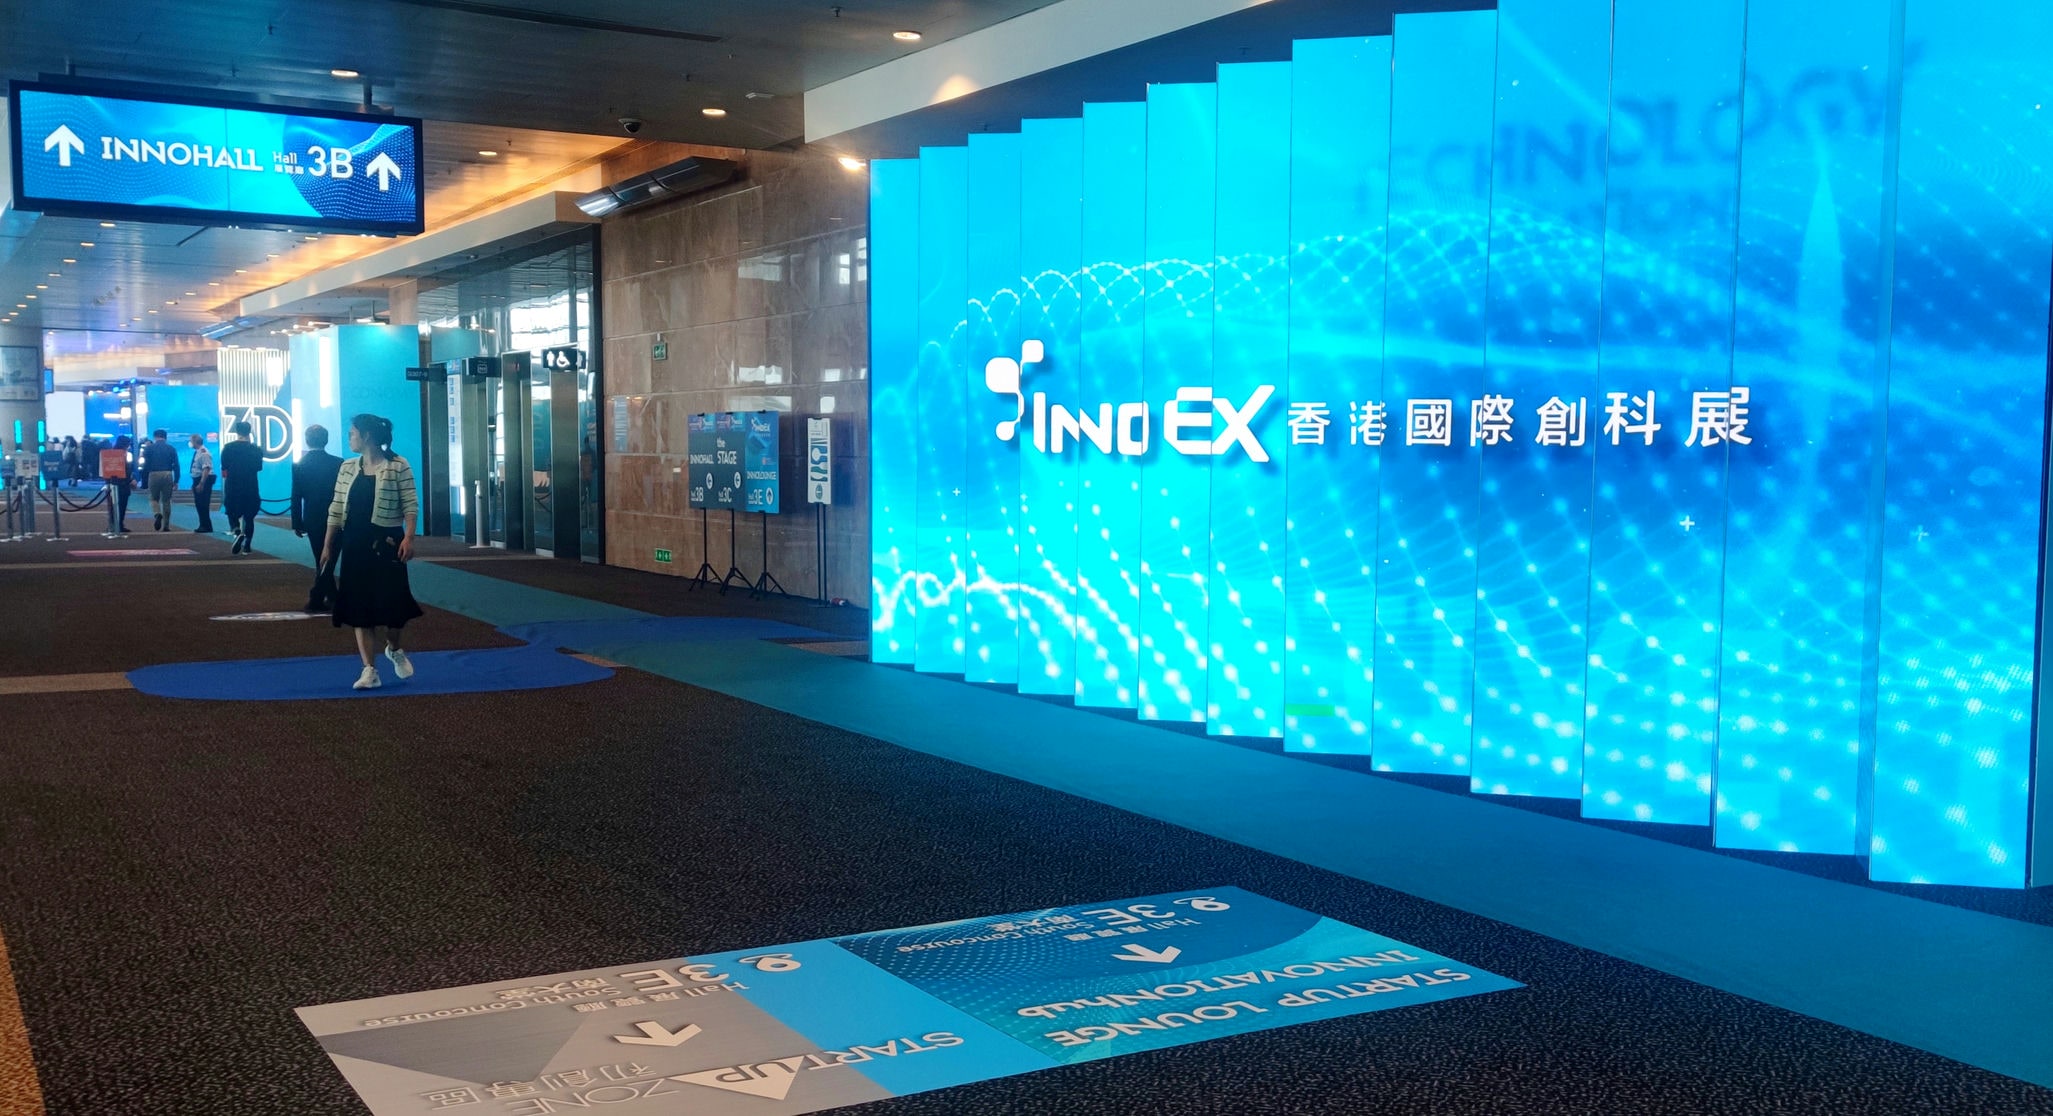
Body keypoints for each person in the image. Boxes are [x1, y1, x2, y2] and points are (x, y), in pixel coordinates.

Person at [322, 414, 422, 690]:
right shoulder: (347, 467)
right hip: (355, 543)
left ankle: (394, 648)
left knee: (394, 606)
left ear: (366, 436)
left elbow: (410, 504)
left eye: (352, 433)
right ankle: (369, 669)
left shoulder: (398, 465)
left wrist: (409, 538)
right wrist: (328, 545)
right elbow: (336, 507)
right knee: (359, 605)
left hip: (388, 542)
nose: (349, 438)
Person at [291, 425, 345, 611]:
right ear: (326, 440)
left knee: (320, 556)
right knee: (331, 556)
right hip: (337, 516)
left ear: (307, 440)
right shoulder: (339, 463)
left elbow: (296, 496)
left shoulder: (299, 465)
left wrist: (296, 522)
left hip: (312, 517)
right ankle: (328, 596)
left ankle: (319, 597)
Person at [219, 421, 264, 554]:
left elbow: (224, 467)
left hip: (233, 485)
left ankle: (236, 530)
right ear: (249, 432)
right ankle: (247, 546)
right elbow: (259, 467)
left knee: (231, 511)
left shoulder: (228, 448)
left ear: (236, 432)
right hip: (251, 485)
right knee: (249, 517)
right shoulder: (256, 449)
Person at [139, 429, 179, 531]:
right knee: (166, 501)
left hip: (153, 474)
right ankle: (166, 526)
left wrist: (143, 479)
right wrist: (176, 480)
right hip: (167, 474)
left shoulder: (149, 448)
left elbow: (145, 465)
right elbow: (176, 465)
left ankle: (157, 514)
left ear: (155, 437)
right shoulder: (171, 448)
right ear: (165, 437)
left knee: (153, 498)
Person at [104, 436, 134, 533]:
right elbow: (127, 469)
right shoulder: (124, 454)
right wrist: (131, 480)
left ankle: (114, 525)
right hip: (122, 484)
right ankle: (118, 525)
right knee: (121, 506)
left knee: (113, 507)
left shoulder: (110, 454)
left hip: (112, 482)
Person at [187, 435, 216, 534]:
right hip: (198, 479)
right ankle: (203, 524)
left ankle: (206, 525)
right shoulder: (198, 452)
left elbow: (206, 469)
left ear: (195, 442)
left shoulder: (204, 453)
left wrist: (201, 483)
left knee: (203, 503)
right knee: (199, 504)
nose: (190, 443)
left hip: (204, 479)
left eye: (191, 441)